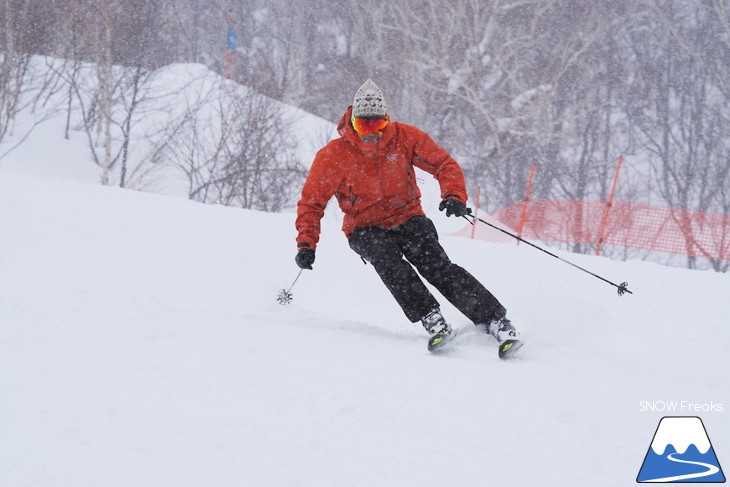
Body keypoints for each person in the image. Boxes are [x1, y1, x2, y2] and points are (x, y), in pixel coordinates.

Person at [294, 79, 523, 357]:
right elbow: (311, 203)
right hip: (364, 227)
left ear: (387, 121)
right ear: (352, 121)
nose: (371, 134)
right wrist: (306, 245)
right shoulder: (333, 155)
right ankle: (431, 317)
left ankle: (495, 320)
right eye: (364, 126)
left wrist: (454, 195)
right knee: (388, 260)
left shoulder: (404, 137)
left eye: (378, 126)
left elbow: (444, 164)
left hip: (407, 216)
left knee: (437, 266)